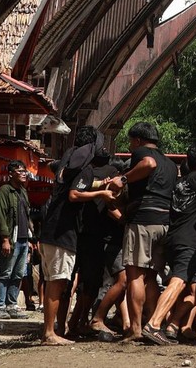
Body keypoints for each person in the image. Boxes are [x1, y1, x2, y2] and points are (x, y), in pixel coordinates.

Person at [39, 126, 116, 346]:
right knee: (57, 282)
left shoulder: (67, 164)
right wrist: (102, 192)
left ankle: (52, 330)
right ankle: (49, 333)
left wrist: (101, 184)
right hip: (62, 233)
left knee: (55, 281)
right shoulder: (83, 168)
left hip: (50, 230)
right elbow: (75, 194)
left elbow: (77, 187)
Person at [142, 143, 196, 344]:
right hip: (188, 241)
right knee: (179, 281)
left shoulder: (180, 182)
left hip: (173, 238)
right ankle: (154, 324)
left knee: (192, 290)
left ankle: (173, 325)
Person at [110, 122, 177, 341]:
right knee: (151, 277)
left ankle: (136, 329)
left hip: (142, 219)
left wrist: (123, 179)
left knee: (134, 274)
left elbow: (148, 164)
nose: (130, 147)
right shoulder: (171, 164)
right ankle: (152, 325)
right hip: (163, 222)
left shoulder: (142, 153)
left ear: (138, 140)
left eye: (131, 142)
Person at [0, 161, 31, 320]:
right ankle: (0, 306)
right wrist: (5, 239)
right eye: (20, 171)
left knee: (18, 274)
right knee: (6, 273)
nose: (23, 173)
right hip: (11, 238)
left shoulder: (22, 191)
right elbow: (1, 215)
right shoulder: (4, 191)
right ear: (11, 174)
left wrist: (31, 237)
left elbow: (26, 215)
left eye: (25, 171)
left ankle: (12, 304)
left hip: (23, 238)